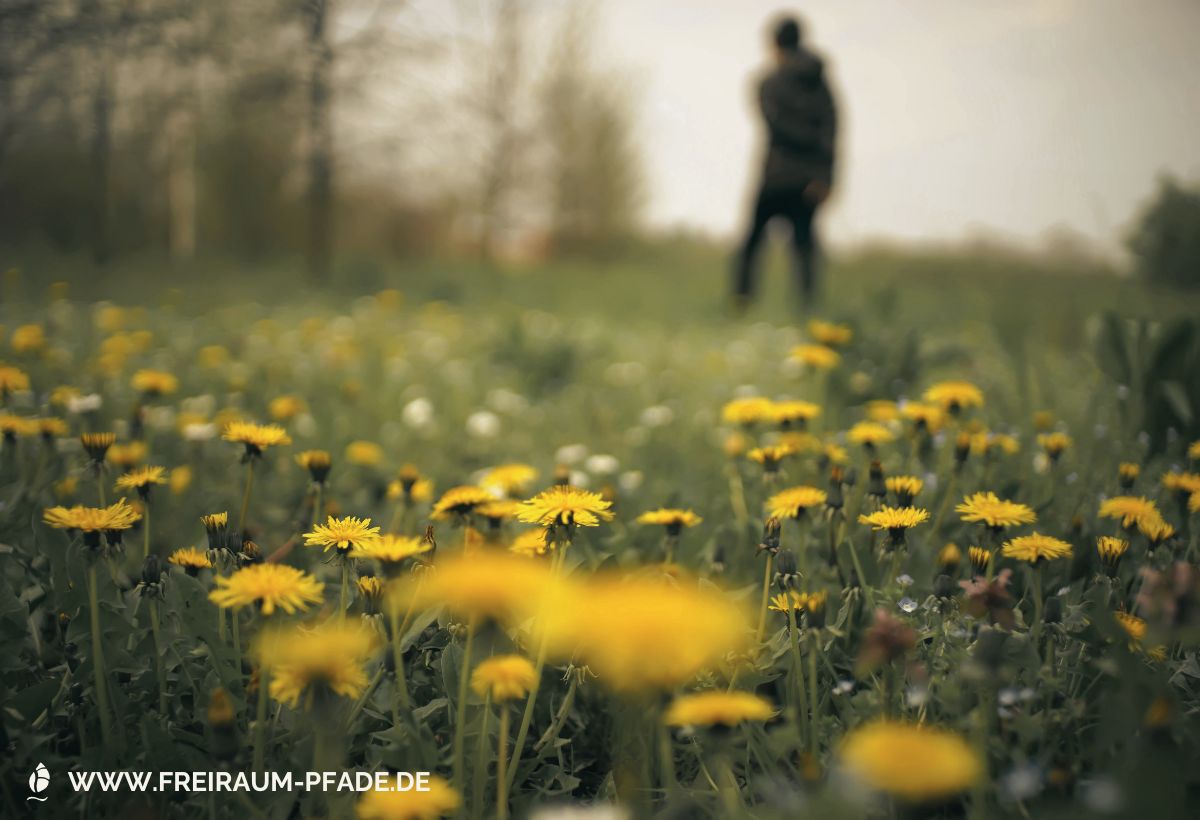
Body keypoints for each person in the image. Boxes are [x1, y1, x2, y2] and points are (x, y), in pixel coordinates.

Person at [733, 14, 837, 312]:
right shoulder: (821, 85)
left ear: (774, 44)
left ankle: (741, 302)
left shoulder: (767, 83)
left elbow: (773, 125)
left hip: (776, 175)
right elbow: (831, 130)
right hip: (809, 178)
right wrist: (826, 177)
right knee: (804, 246)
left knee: (752, 243)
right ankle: (807, 308)